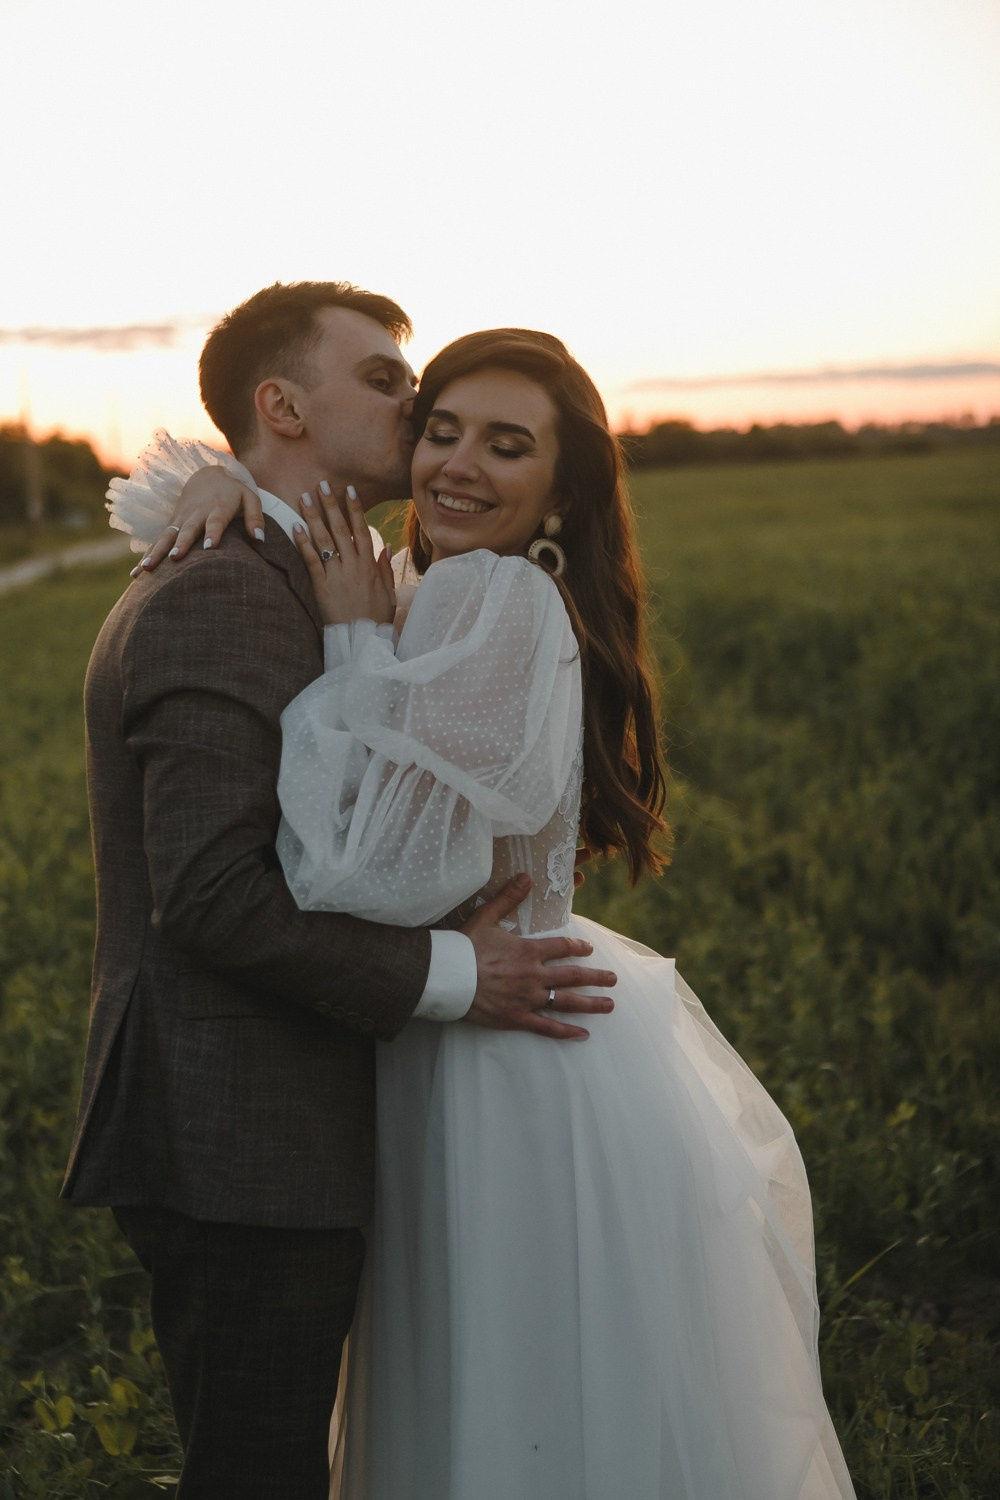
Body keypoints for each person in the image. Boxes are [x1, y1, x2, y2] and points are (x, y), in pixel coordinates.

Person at [123, 327, 857, 1498]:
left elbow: (363, 876)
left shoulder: (491, 597)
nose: (458, 463)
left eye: (507, 447)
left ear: (560, 489)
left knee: (504, 1405)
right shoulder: (424, 580)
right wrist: (233, 483)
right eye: (441, 429)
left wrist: (354, 634)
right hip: (462, 1039)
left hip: (502, 1058)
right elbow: (213, 508)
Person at [63, 286, 616, 1500]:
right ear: (282, 406)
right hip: (238, 1136)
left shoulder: (313, 565)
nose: (414, 405)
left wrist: (225, 480)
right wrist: (457, 972)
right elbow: (212, 896)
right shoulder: (219, 583)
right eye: (384, 381)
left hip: (288, 1123)